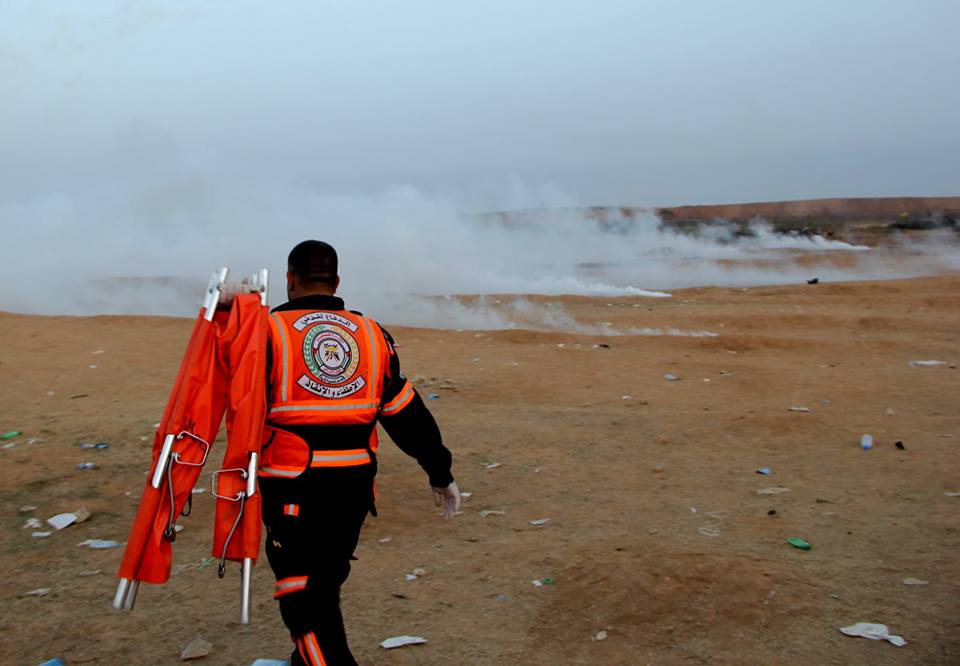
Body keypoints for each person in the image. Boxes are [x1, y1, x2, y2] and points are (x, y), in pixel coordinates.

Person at [258, 240, 459, 665]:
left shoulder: (265, 335)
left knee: (303, 604)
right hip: (351, 493)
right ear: (336, 281)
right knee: (324, 587)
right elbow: (406, 411)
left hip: (292, 490)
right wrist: (439, 470)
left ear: (289, 279)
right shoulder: (371, 334)